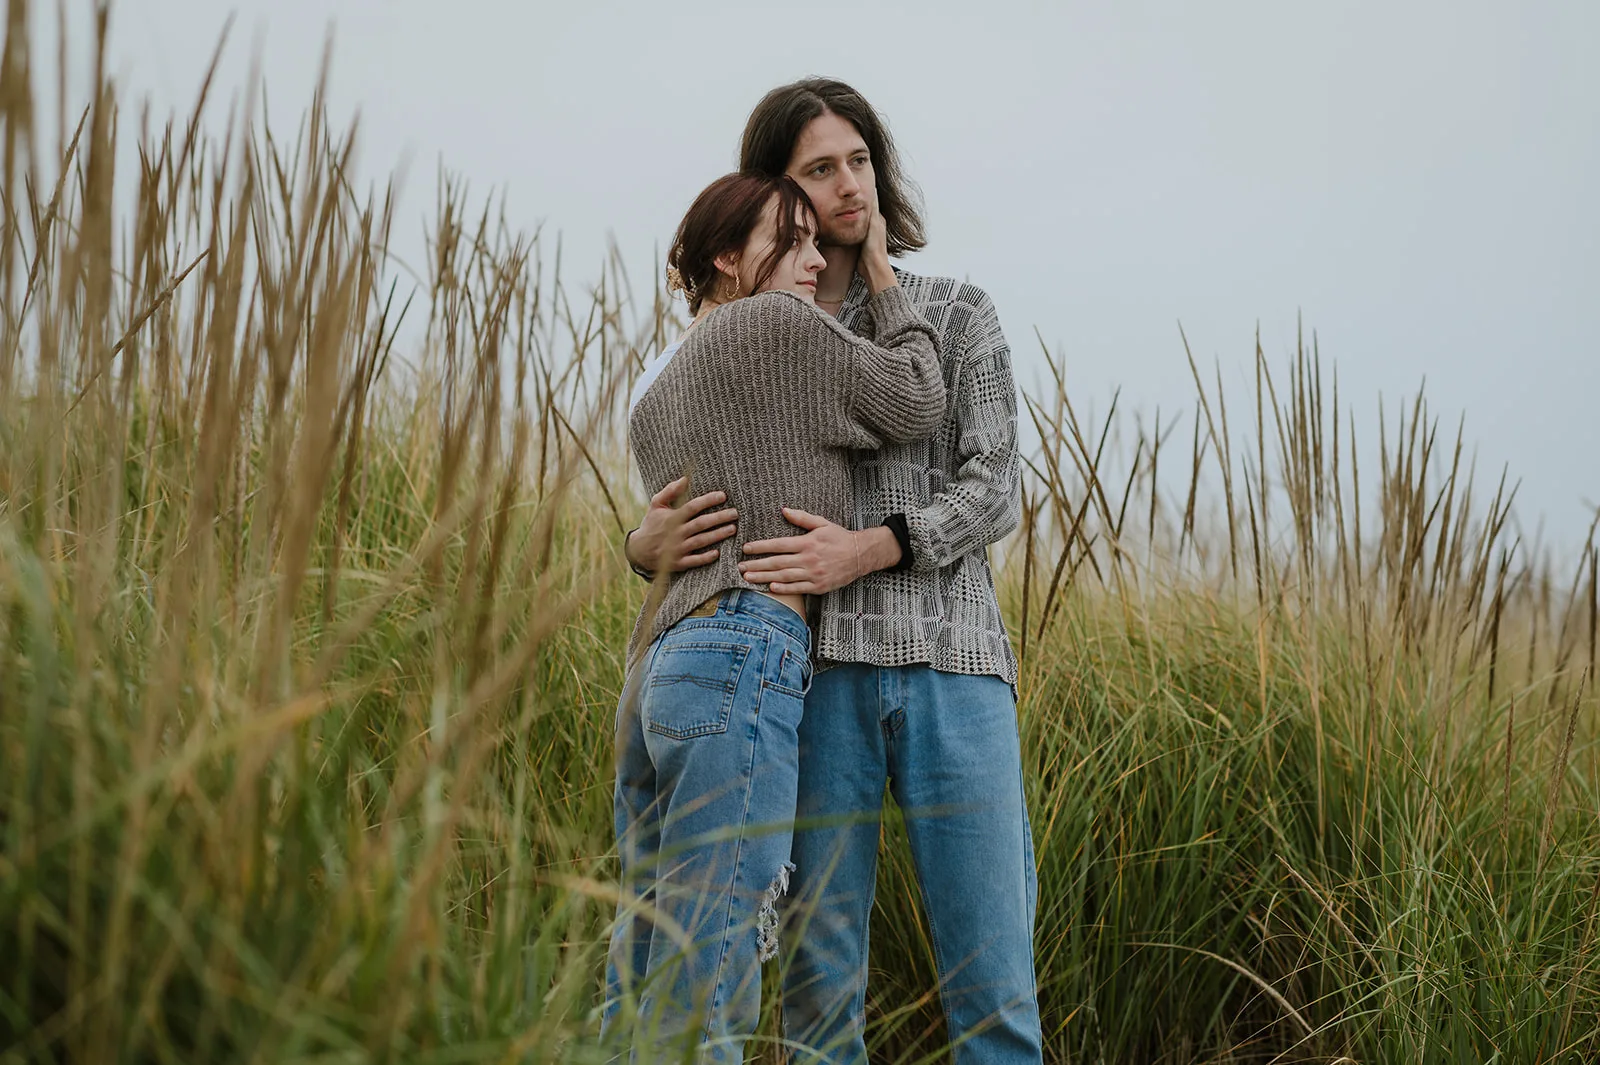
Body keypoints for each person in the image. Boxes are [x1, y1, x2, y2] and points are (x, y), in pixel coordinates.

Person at [624, 79, 1042, 1064]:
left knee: (992, 992)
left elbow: (997, 488)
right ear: (780, 195)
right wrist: (636, 546)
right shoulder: (767, 326)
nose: (848, 185)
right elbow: (698, 490)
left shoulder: (956, 311)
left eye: (858, 159)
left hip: (957, 666)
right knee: (817, 995)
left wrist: (874, 545)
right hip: (818, 679)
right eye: (820, 169)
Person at [604, 170, 947, 1064]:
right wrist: (878, 271)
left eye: (817, 241)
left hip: (657, 669)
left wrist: (635, 549)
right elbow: (916, 396)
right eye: (788, 239)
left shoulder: (660, 384)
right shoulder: (780, 325)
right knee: (713, 959)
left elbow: (668, 533)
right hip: (742, 649)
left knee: (641, 959)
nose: (812, 257)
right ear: (726, 256)